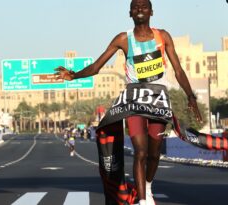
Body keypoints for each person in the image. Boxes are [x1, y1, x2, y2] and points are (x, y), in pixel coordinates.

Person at [55, 0, 202, 204]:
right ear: (130, 13)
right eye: (135, 6)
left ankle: (148, 186)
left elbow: (178, 70)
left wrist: (190, 96)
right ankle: (142, 200)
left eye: (144, 6)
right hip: (134, 100)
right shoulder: (123, 39)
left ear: (151, 11)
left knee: (154, 152)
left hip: (158, 98)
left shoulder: (163, 36)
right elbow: (97, 67)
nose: (140, 9)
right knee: (140, 151)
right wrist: (74, 75)